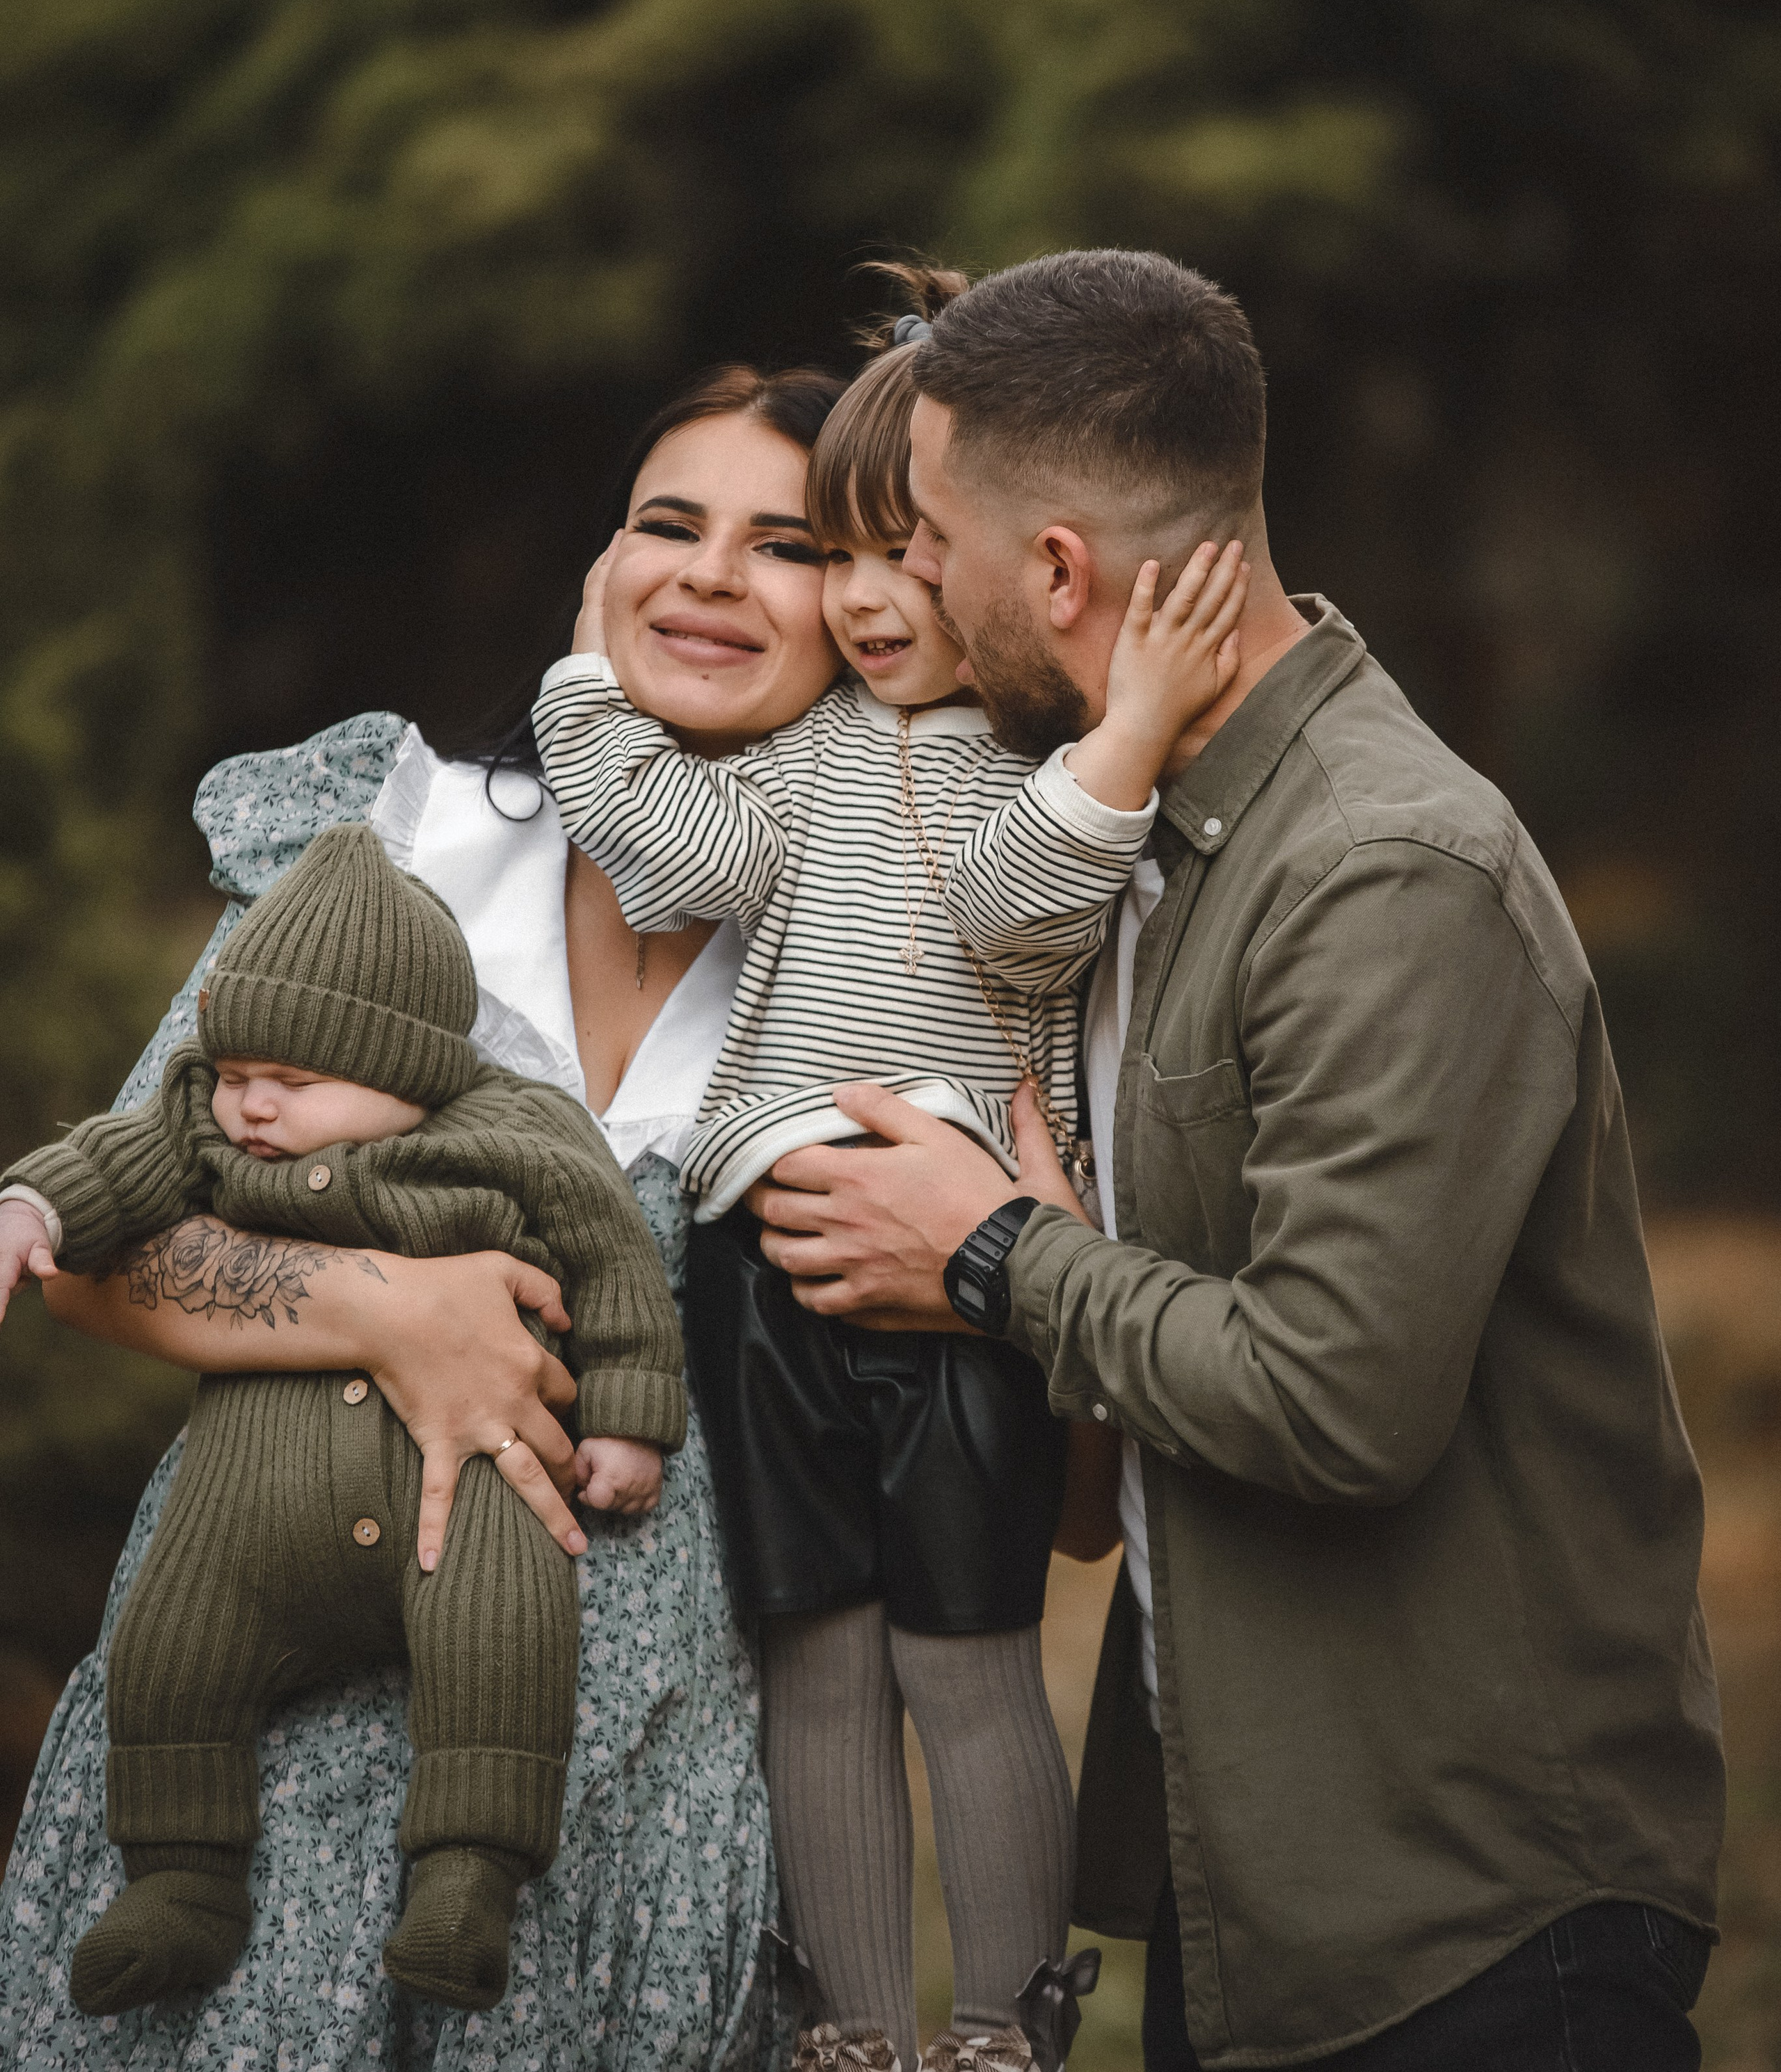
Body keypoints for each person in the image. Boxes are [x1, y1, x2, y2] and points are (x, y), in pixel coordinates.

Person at [739, 250, 1726, 2072]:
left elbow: (1340, 1394)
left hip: (1473, 1931)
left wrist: (992, 1255)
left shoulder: (1381, 870)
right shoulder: (1170, 839)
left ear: (1057, 571)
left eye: (939, 547)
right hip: (1265, 1889)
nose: (921, 601)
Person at [0, 362, 842, 2072]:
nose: (707, 574)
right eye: (665, 523)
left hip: (632, 1754)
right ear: (597, 570)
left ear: (877, 606)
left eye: (785, 544)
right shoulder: (395, 854)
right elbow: (103, 1244)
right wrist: (386, 1305)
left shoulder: (871, 945)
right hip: (273, 1716)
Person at [532, 289, 1248, 2072]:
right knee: (817, 1664)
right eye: (835, 559)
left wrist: (1124, 736)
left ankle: (1004, 2026)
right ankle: (855, 2024)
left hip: (955, 1269)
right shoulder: (794, 757)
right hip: (757, 1253)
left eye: (900, 555)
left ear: (993, 567)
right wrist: (583, 671)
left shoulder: (1034, 762)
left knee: (969, 1658)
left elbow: (1022, 901)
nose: (860, 599)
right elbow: (670, 848)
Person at [0, 824, 685, 2016]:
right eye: (235, 1072)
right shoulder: (208, 1123)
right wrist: (31, 1205)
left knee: (508, 1631)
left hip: (462, 1488)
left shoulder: (516, 1135)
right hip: (243, 1519)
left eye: (296, 1084)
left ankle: (467, 1877)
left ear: (406, 1068)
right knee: (166, 1652)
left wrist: (629, 1421)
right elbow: (119, 1157)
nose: (252, 1106)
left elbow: (616, 1265)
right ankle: (180, 1884)